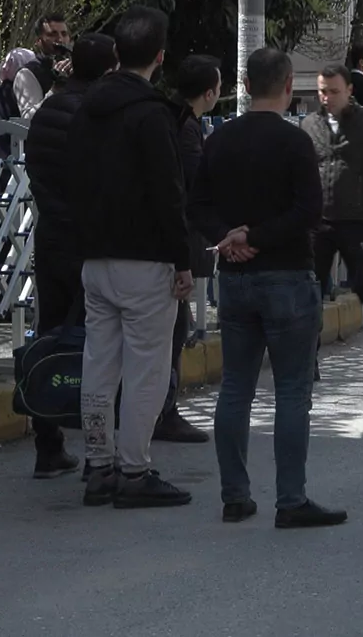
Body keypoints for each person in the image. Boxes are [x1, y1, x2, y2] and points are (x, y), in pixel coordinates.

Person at [188, 48, 347, 528]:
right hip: (287, 277)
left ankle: (235, 495)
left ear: (244, 84)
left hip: (235, 279)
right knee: (292, 391)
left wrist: (228, 237)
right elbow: (308, 212)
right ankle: (290, 498)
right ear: (286, 87)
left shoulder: (219, 139)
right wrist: (254, 237)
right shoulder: (295, 142)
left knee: (235, 386)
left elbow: (196, 205)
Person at [67, 6, 193, 509]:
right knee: (146, 368)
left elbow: (69, 181)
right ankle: (134, 471)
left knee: (99, 362)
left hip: (94, 258)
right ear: (160, 57)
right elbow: (168, 194)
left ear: (116, 52)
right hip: (145, 260)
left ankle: (97, 464)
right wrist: (182, 260)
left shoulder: (85, 110)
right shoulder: (151, 115)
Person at [23, 32, 118, 479]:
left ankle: (48, 443)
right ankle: (100, 448)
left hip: (51, 237)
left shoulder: (44, 114)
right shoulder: (98, 115)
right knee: (99, 346)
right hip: (90, 242)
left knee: (51, 337)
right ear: (109, 70)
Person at [302, 64, 363, 378]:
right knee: (308, 291)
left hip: (358, 222)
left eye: (333, 91)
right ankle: (307, 358)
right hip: (319, 223)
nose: (326, 97)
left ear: (349, 91)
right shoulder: (310, 125)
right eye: (322, 91)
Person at [151, 54, 222, 444]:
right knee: (171, 330)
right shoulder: (186, 128)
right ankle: (164, 410)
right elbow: (193, 184)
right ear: (209, 92)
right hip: (170, 243)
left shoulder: (171, 118)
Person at [14, 13, 73, 119]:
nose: (60, 40)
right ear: (38, 41)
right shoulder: (28, 73)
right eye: (52, 34)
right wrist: (55, 90)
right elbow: (28, 118)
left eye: (64, 34)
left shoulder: (76, 67)